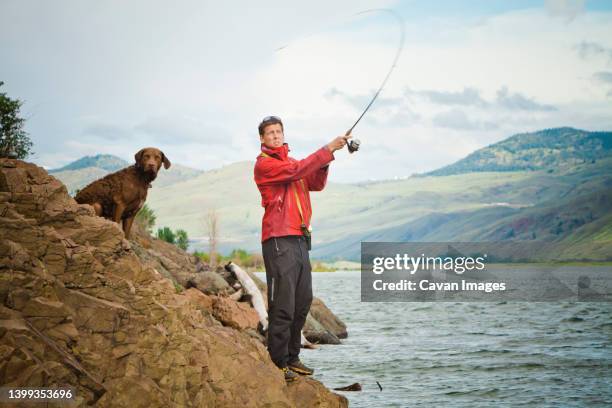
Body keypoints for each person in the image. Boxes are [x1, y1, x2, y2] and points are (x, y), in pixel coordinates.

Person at [253, 115, 349, 382]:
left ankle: (293, 358)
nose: (274, 135)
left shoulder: (292, 164)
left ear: (283, 134)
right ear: (262, 138)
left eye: (278, 131)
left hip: (298, 239)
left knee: (302, 301)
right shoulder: (265, 165)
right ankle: (278, 363)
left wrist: (325, 161)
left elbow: (315, 183)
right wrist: (327, 149)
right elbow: (297, 172)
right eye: (269, 132)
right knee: (282, 304)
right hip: (277, 240)